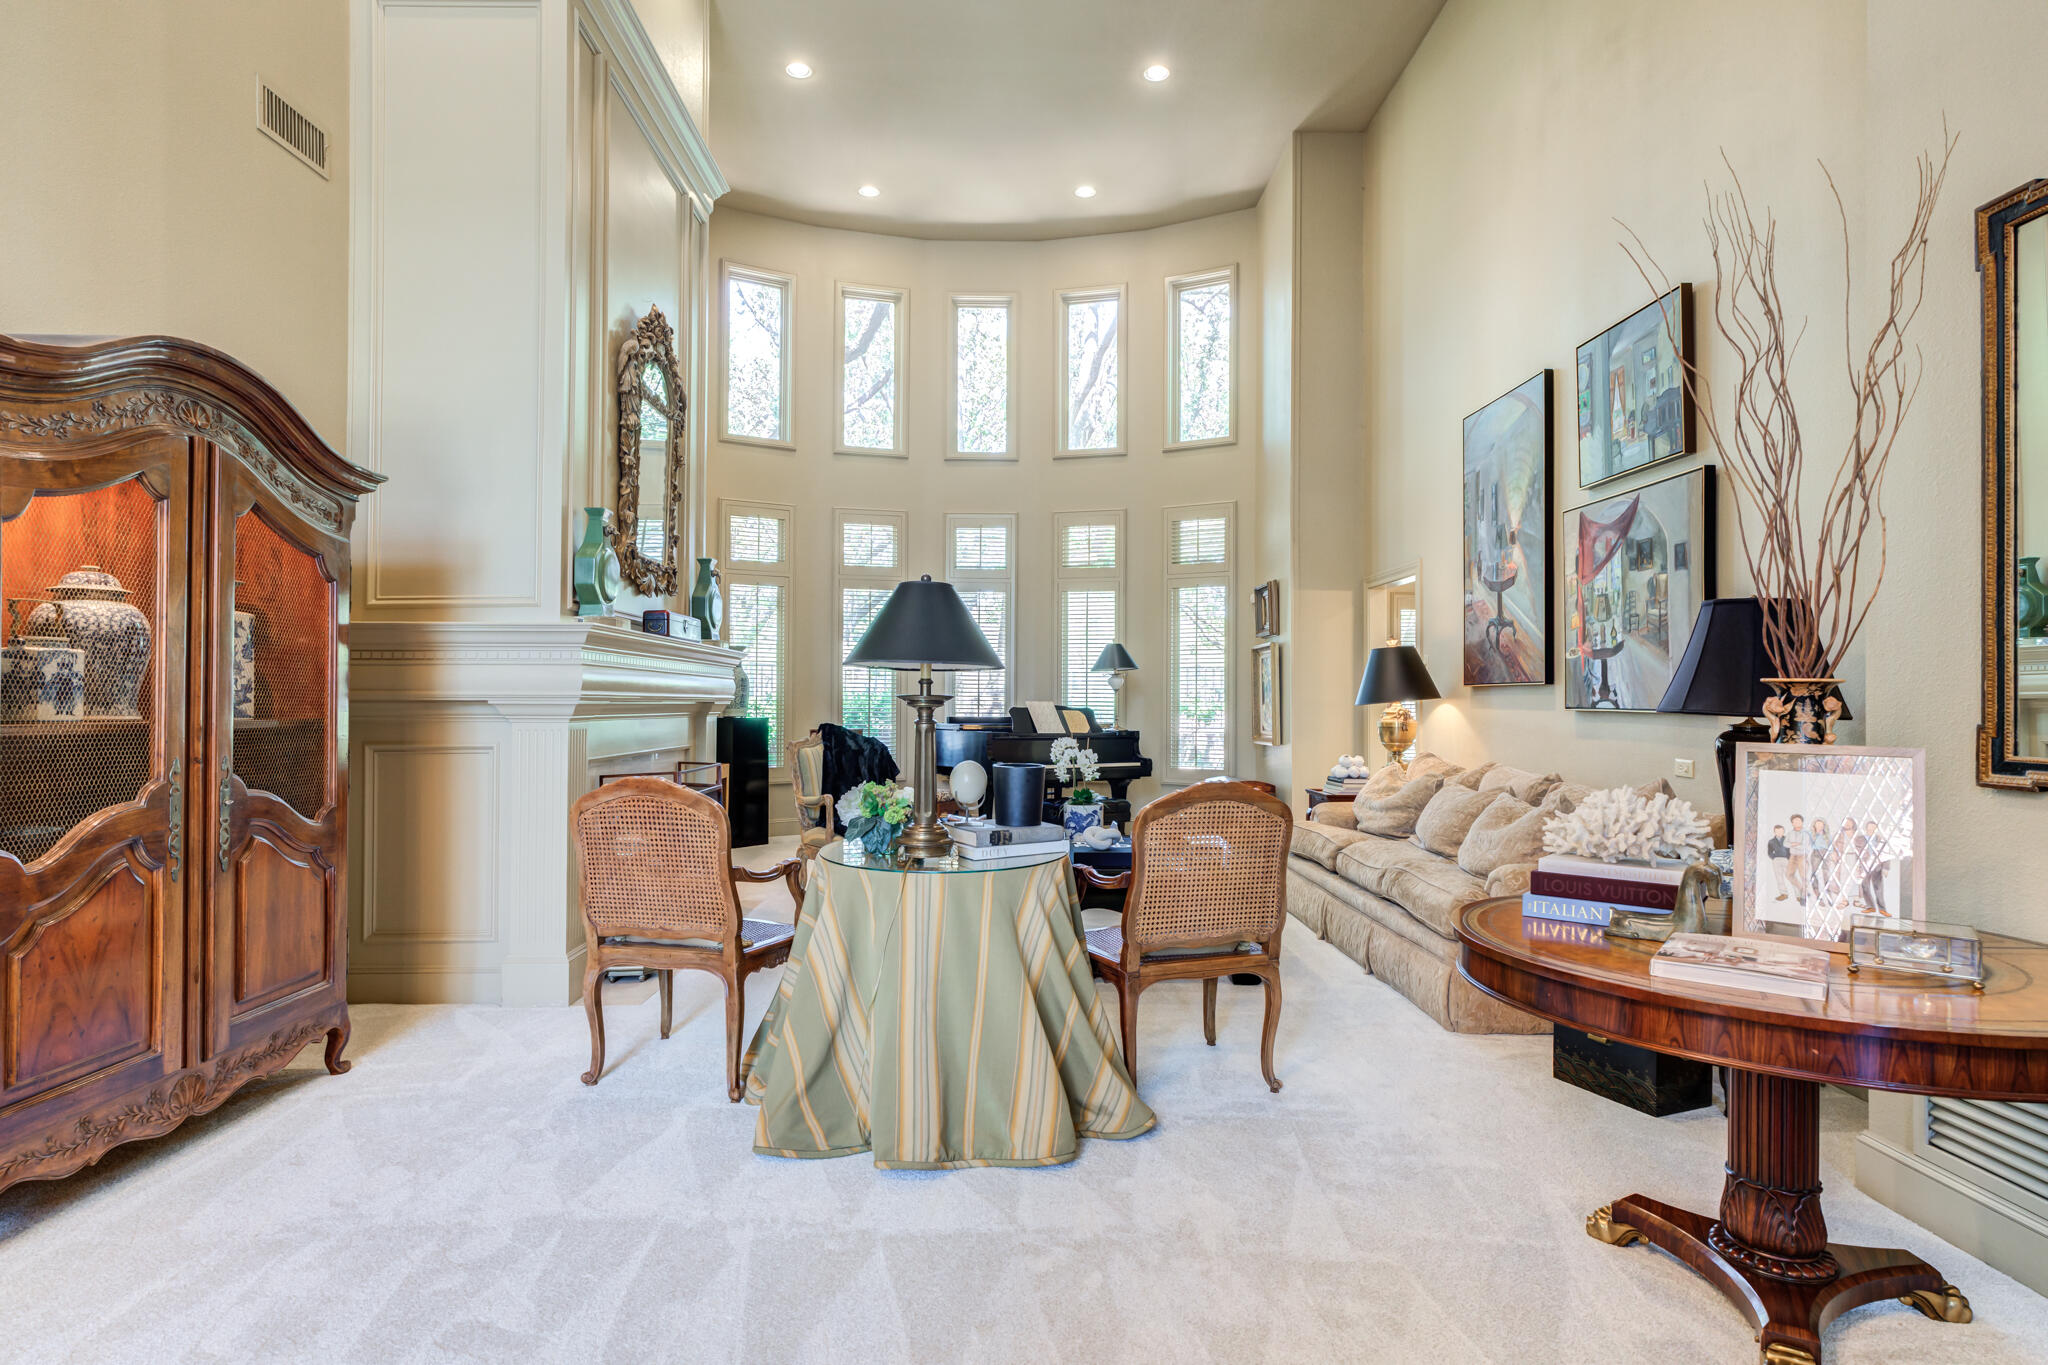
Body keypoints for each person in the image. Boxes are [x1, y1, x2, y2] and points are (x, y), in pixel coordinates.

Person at [1860, 819, 1889, 914]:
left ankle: (1882, 909)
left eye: (1873, 829)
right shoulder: (1861, 839)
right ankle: (1870, 906)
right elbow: (1857, 854)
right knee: (1865, 886)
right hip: (1865, 865)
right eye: (1869, 829)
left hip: (1877, 865)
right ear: (1866, 829)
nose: (1871, 831)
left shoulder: (1881, 840)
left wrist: (1886, 867)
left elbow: (1887, 854)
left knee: (1878, 887)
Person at [1785, 815, 1810, 906]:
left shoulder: (1806, 833)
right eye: (1794, 821)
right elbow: (1785, 844)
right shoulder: (1790, 833)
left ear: (1802, 822)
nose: (1796, 823)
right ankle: (1802, 889)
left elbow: (1804, 846)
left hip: (1802, 856)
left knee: (1803, 876)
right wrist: (1795, 844)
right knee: (1789, 875)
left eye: (1798, 821)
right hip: (1793, 856)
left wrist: (1793, 844)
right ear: (1792, 823)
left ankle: (1804, 897)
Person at [1766, 824, 1792, 901]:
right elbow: (1769, 852)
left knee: (1791, 876)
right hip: (1776, 860)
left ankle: (1799, 894)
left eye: (1781, 831)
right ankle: (1784, 894)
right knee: (1779, 877)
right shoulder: (1771, 841)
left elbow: (1789, 850)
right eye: (1777, 831)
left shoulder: (1787, 840)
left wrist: (1789, 858)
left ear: (1783, 831)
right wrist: (1773, 857)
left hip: (1786, 859)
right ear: (1774, 832)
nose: (1779, 833)